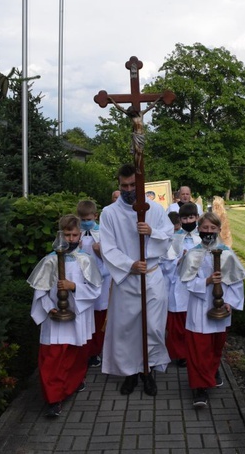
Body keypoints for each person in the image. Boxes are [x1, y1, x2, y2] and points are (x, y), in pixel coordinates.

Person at [99, 163, 173, 396]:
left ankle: (147, 371)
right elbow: (107, 247)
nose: (129, 189)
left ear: (140, 184)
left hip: (151, 277)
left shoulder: (155, 210)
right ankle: (130, 373)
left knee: (153, 327)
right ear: (118, 185)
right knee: (127, 329)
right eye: (124, 185)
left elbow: (169, 235)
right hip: (127, 280)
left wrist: (152, 233)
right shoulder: (109, 213)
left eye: (133, 184)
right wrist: (129, 265)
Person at [27, 214, 102, 417]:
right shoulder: (50, 261)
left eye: (74, 235)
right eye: (67, 234)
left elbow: (95, 290)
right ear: (60, 235)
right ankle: (53, 399)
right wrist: (49, 307)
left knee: (75, 355)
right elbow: (40, 291)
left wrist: (74, 286)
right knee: (53, 358)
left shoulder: (85, 260)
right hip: (55, 320)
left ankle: (72, 384)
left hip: (78, 316)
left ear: (80, 236)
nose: (70, 239)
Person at [179, 212, 245, 408]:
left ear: (218, 230)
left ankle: (211, 370)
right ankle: (199, 389)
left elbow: (236, 283)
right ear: (199, 229)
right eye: (205, 228)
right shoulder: (192, 254)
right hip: (199, 309)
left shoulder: (226, 253)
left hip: (220, 308)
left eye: (212, 229)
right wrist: (206, 281)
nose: (208, 232)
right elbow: (187, 282)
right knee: (198, 350)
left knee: (216, 347)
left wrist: (230, 303)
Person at [161, 202, 202, 368]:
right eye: (185, 218)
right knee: (177, 325)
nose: (188, 221)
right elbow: (165, 263)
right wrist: (179, 259)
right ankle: (179, 354)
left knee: (194, 321)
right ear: (180, 219)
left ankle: (193, 351)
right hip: (178, 284)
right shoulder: (174, 238)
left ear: (197, 218)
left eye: (191, 217)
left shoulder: (202, 237)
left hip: (197, 284)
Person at [76, 200, 112, 368]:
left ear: (95, 216)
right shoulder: (77, 234)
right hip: (82, 282)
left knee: (98, 318)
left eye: (88, 219)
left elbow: (112, 258)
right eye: (82, 219)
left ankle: (95, 352)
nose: (85, 222)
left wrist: (100, 252)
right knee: (84, 316)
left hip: (101, 280)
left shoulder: (103, 233)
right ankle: (84, 349)